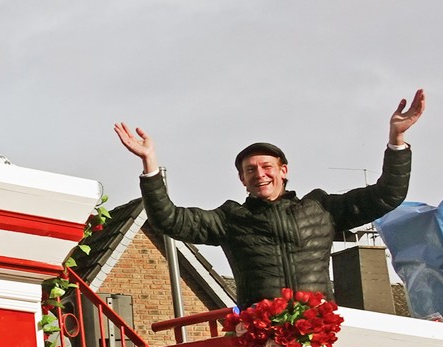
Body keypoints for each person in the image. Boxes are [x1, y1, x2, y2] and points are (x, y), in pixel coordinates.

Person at [115, 91, 424, 303]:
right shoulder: (230, 219)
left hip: (317, 329)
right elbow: (168, 219)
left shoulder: (321, 208)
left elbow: (387, 195)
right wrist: (149, 163)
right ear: (242, 179)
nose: (259, 174)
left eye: (266, 167)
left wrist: (396, 139)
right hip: (261, 337)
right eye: (250, 170)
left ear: (283, 171)